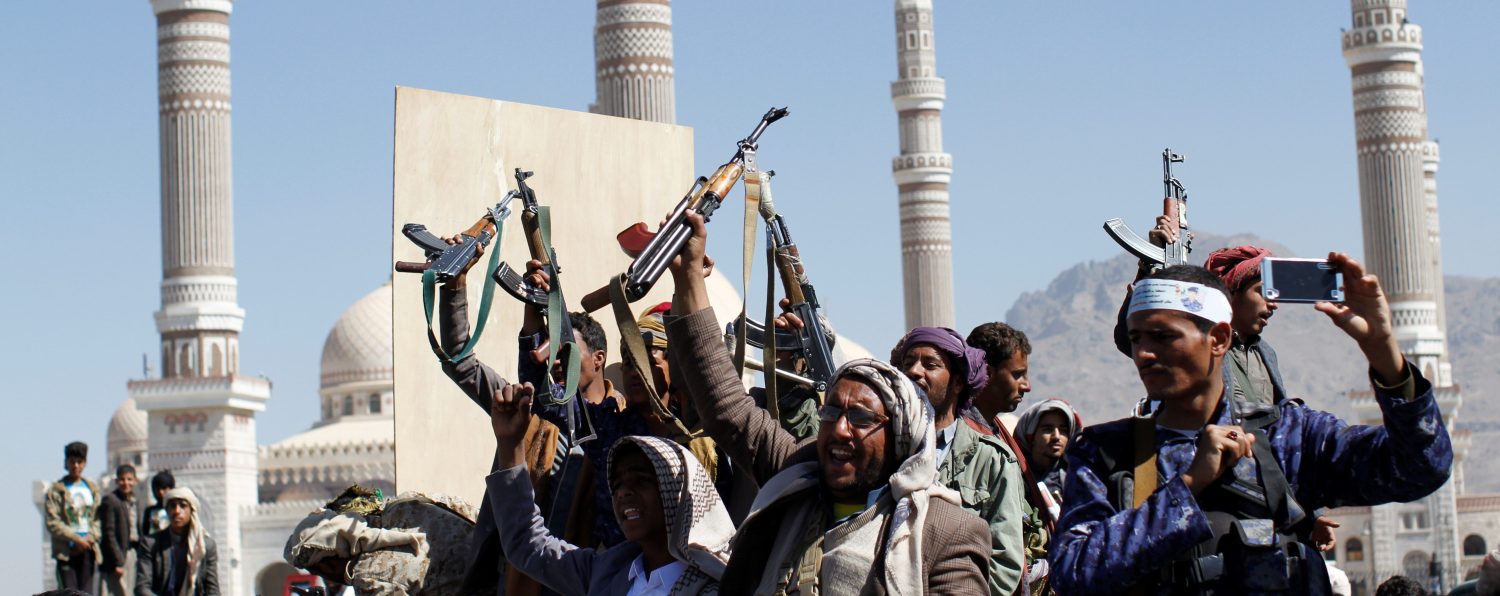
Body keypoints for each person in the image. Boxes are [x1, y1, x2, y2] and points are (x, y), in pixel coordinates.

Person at [1049, 258, 1453, 594]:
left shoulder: (1287, 436)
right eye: (1137, 339)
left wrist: (1386, 359)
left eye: (1163, 336)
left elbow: (1420, 468)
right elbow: (1072, 573)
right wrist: (1187, 487)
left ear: (1219, 339)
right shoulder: (1106, 452)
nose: (1144, 354)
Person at [666, 210, 990, 593]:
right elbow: (725, 406)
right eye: (832, 411)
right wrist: (688, 275)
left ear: (900, 436)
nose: (839, 429)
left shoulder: (944, 533)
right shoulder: (795, 477)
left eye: (860, 417)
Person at [489, 382, 736, 595]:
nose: (623, 493)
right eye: (616, 485)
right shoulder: (609, 571)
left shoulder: (714, 588)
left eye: (640, 480)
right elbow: (527, 544)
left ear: (679, 492)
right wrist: (510, 445)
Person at [434, 239, 568, 595]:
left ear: (596, 359)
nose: (549, 359)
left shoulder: (613, 422)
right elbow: (461, 362)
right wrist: (455, 283)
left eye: (560, 351)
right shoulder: (523, 409)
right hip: (507, 578)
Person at [893, 326, 1028, 594]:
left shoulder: (992, 460)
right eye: (908, 363)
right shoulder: (885, 449)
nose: (914, 371)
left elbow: (1006, 563)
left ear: (957, 382)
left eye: (930, 364)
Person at [136, 487, 219, 596]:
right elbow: (142, 587)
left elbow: (212, 590)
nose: (176, 511)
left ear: (192, 510)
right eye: (172, 506)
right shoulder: (151, 544)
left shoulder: (206, 546)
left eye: (183, 506)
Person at [45, 441, 98, 592]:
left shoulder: (92, 489)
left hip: (88, 550)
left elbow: (98, 519)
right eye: (72, 461)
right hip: (66, 552)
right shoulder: (56, 491)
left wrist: (89, 539)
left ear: (84, 463)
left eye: (79, 462)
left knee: (86, 593)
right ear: (66, 463)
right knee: (69, 593)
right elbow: (52, 522)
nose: (75, 466)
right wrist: (75, 539)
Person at [1014, 398, 1083, 514]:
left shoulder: (1078, 478)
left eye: (1063, 430)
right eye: (1047, 429)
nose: (1056, 436)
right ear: (1031, 436)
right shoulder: (1016, 476)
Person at [98, 464, 141, 596]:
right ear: (116, 481)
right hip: (117, 557)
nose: (126, 483)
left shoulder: (133, 501)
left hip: (131, 553)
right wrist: (118, 561)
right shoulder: (111, 501)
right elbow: (108, 533)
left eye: (129, 479)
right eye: (122, 480)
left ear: (135, 481)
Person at [141, 471, 175, 538]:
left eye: (164, 488)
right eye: (158, 489)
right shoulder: (151, 511)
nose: (161, 492)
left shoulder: (176, 509)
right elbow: (146, 535)